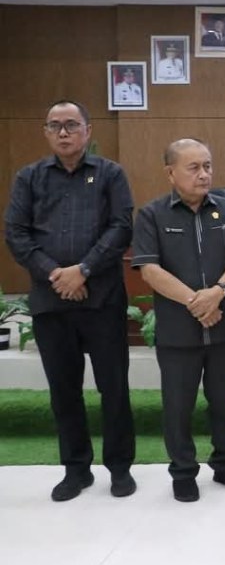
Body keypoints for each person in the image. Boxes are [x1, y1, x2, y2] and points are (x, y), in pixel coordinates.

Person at [4, 100, 136, 502]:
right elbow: (16, 234)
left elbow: (121, 227)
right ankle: (76, 470)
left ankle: (119, 469)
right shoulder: (29, 178)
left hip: (103, 299)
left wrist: (83, 270)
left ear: (88, 131)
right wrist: (57, 274)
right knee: (64, 391)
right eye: (55, 125)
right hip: (51, 301)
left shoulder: (111, 174)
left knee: (114, 388)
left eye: (71, 125)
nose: (63, 132)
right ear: (46, 132)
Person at [131, 138, 225, 503]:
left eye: (208, 166)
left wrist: (218, 292)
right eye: (194, 167)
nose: (204, 174)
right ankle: (183, 471)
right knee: (178, 406)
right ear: (171, 173)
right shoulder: (152, 215)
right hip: (178, 330)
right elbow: (149, 269)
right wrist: (197, 302)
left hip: (223, 325)